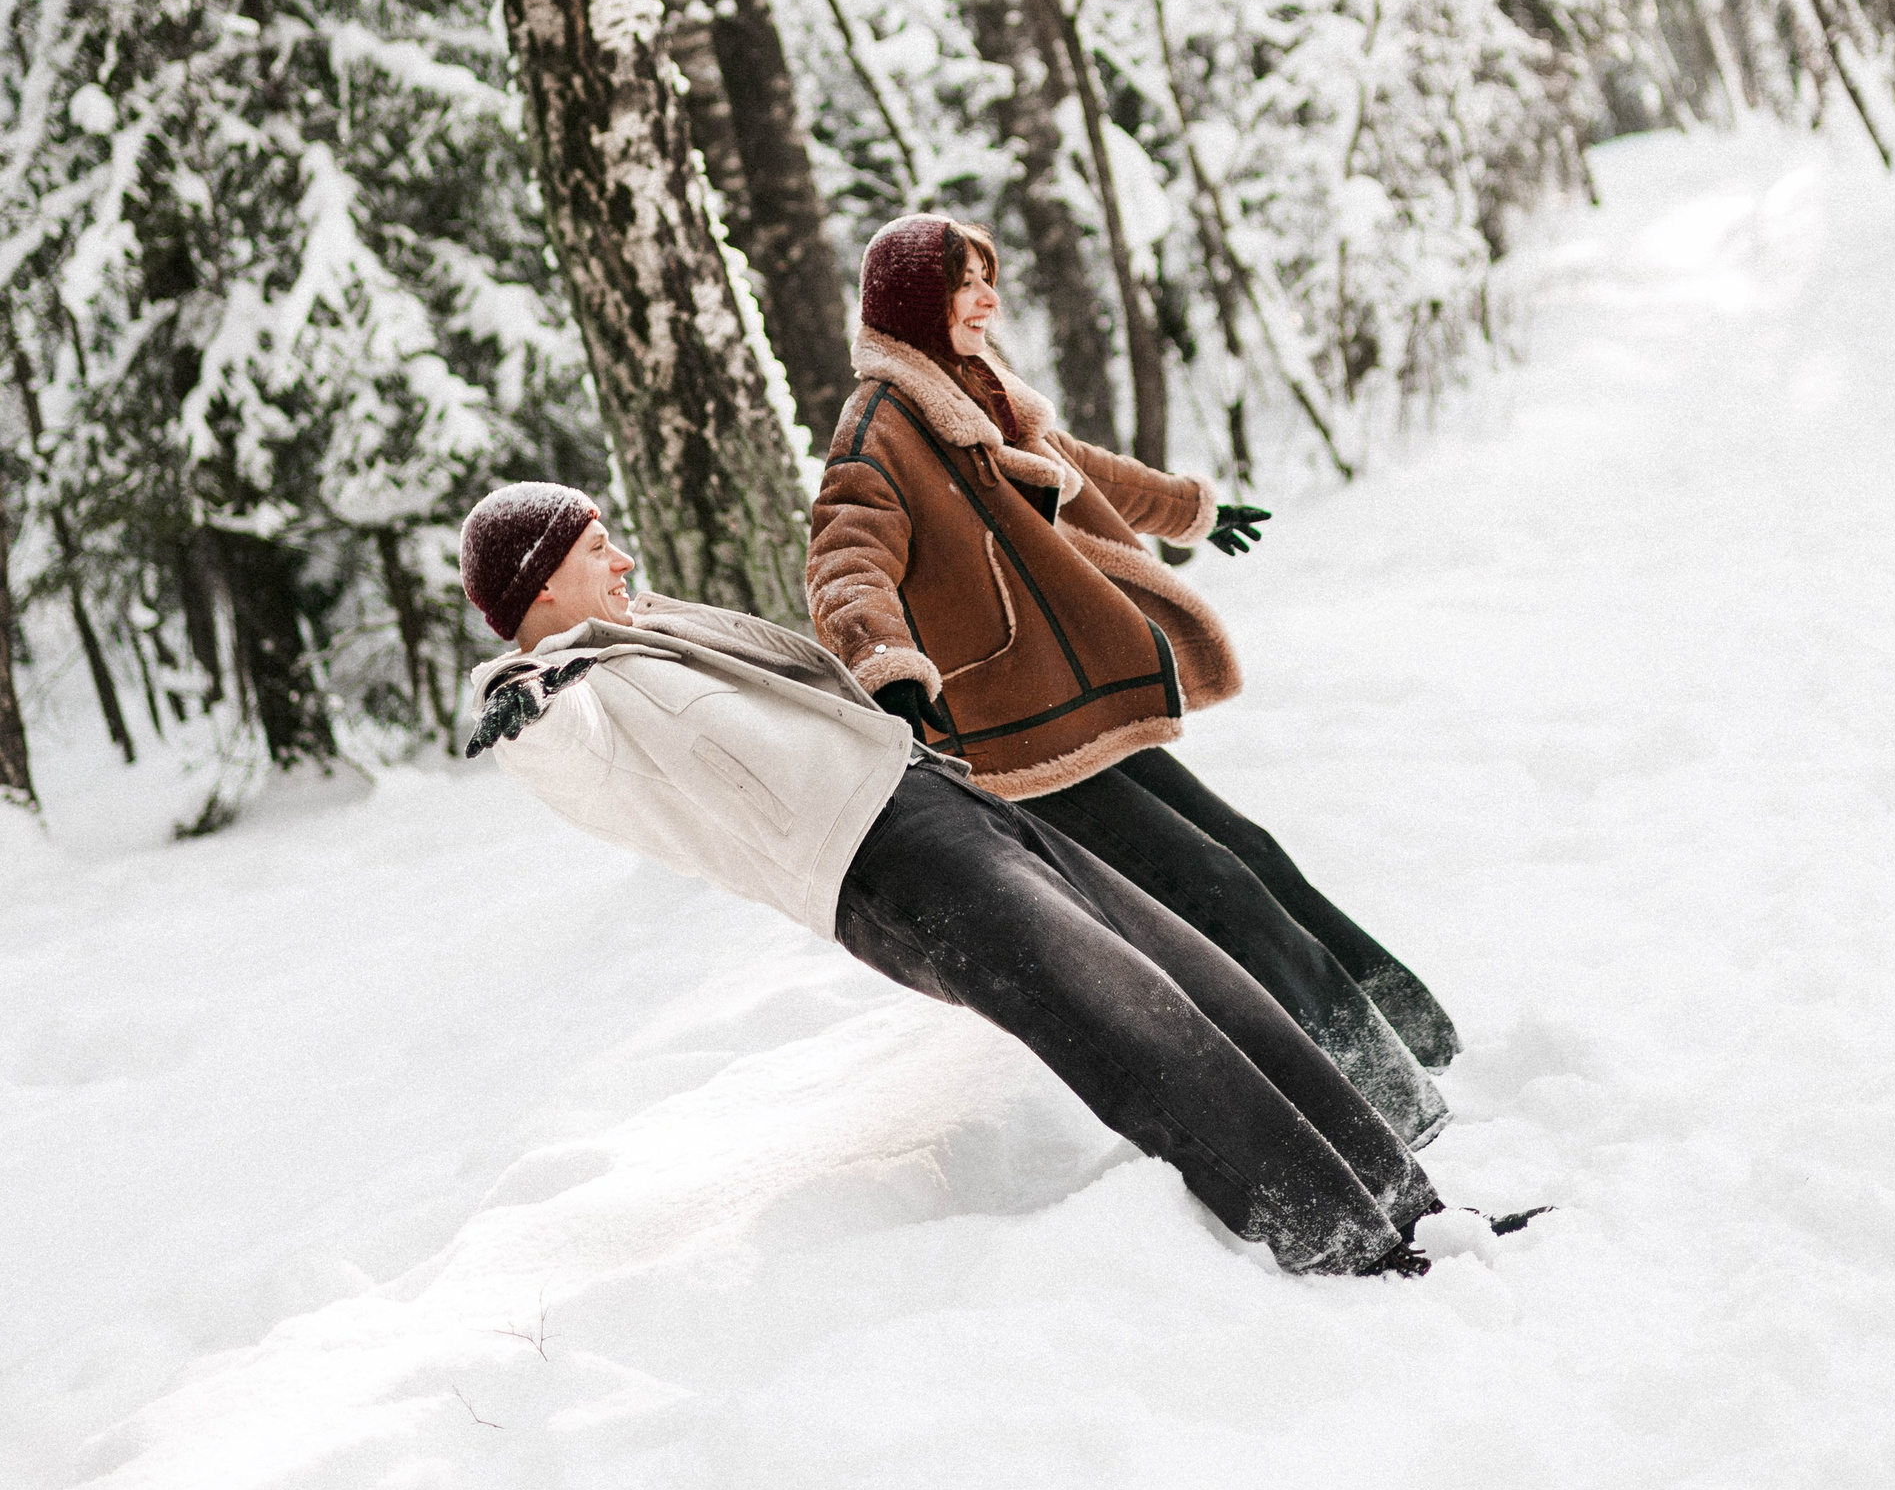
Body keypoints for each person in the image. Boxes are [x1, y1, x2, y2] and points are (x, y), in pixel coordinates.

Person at [458, 478, 1443, 1281]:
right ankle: (1342, 1241)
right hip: (889, 868)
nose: (624, 561)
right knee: (1136, 1029)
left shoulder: (647, 634)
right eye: (597, 551)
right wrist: (527, 699)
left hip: (940, 798)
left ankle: (1400, 1200)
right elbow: (566, 741)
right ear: (540, 587)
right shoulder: (566, 696)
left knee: (1193, 975)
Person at [807, 215, 1461, 1143]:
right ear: (916, 302)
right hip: (1013, 736)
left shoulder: (979, 392)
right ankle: (1380, 1091)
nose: (989, 300)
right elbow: (845, 562)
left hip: (1074, 709)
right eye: (967, 283)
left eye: (989, 277)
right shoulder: (878, 430)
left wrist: (1195, 511)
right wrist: (887, 667)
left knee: (1249, 854)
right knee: (1213, 888)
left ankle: (1413, 1038)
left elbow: (1085, 471)